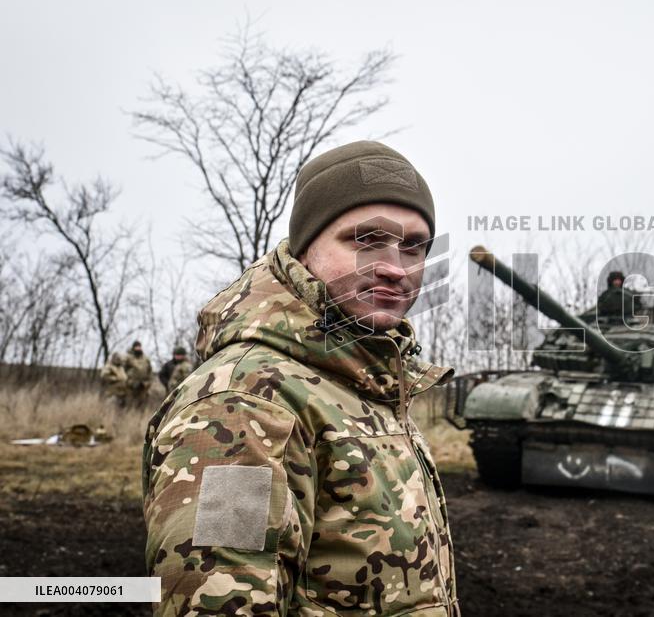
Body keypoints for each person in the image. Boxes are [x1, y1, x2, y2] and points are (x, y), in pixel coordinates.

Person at [142, 141, 458, 616]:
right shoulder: (246, 403)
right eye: (365, 239)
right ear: (305, 247)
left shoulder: (368, 384)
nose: (395, 267)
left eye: (414, 247)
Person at [123, 340, 153, 407]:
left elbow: (150, 370)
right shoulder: (128, 357)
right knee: (130, 402)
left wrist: (149, 382)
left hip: (143, 384)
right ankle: (128, 414)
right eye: (136, 347)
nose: (138, 348)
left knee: (142, 402)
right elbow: (123, 370)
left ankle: (140, 416)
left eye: (139, 346)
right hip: (131, 384)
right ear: (133, 347)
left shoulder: (145, 358)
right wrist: (127, 380)